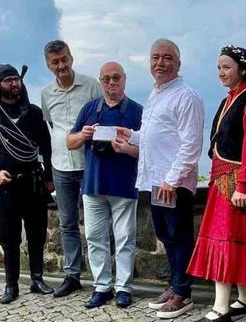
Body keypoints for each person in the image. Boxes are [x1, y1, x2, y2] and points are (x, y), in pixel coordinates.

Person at [116, 38, 205, 319]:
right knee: (167, 236)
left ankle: (183, 293)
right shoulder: (156, 95)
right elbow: (155, 136)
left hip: (172, 183)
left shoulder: (186, 96)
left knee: (178, 236)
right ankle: (174, 285)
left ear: (178, 63)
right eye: (155, 57)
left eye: (167, 57)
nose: (160, 62)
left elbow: (191, 145)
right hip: (155, 180)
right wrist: (129, 134)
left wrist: (172, 179)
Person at [188, 46, 246, 322]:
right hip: (221, 181)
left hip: (234, 183)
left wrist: (244, 185)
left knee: (226, 240)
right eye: (219, 68)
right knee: (232, 239)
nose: (221, 73)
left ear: (243, 70)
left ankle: (221, 306)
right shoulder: (229, 100)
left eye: (226, 67)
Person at [0, 64, 55, 304]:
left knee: (37, 234)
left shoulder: (34, 113)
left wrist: (49, 177)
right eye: (8, 80)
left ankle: (37, 279)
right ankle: (11, 284)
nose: (14, 84)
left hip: (35, 182)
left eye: (16, 79)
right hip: (8, 186)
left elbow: (46, 147)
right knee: (9, 237)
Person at [66, 62, 143, 309]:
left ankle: (123, 288)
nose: (111, 83)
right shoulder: (90, 109)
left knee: (124, 239)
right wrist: (85, 135)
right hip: (93, 186)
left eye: (116, 78)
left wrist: (126, 147)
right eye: (107, 79)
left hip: (124, 185)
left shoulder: (136, 111)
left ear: (125, 80)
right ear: (100, 81)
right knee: (95, 238)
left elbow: (149, 150)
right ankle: (102, 287)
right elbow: (70, 141)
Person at [40, 40, 102, 297]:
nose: (61, 65)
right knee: (67, 223)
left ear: (71, 58)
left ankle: (102, 278)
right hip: (61, 166)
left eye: (64, 59)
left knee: (97, 222)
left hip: (90, 165)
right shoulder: (46, 94)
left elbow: (101, 120)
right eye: (55, 62)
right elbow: (51, 125)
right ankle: (72, 275)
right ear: (48, 65)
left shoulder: (91, 86)